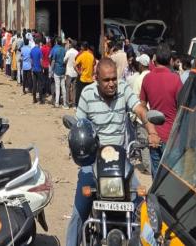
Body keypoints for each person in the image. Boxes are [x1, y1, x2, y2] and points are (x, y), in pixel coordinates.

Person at [67, 58, 160, 246]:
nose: (111, 84)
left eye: (113, 79)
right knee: (78, 213)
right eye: (106, 80)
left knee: (141, 207)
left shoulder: (124, 89)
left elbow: (140, 110)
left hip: (121, 160)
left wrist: (152, 131)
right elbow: (78, 125)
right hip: (94, 160)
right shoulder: (87, 94)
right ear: (96, 78)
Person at [139, 43, 183, 176]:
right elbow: (182, 108)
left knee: (157, 177)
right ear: (171, 61)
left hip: (155, 137)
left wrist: (150, 131)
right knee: (172, 178)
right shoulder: (176, 79)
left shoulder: (147, 78)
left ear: (154, 59)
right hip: (173, 138)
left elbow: (142, 106)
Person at [74, 42, 95, 106]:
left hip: (83, 78)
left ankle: (78, 105)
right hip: (90, 79)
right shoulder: (91, 55)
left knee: (79, 93)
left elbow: (74, 65)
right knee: (89, 94)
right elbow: (93, 65)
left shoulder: (81, 55)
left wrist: (79, 73)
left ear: (82, 47)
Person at [50, 37, 67, 108]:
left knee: (57, 87)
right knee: (63, 87)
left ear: (57, 42)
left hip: (57, 70)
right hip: (63, 70)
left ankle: (57, 103)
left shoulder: (55, 50)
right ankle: (65, 103)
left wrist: (51, 69)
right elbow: (65, 60)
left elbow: (53, 61)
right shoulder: (64, 50)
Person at [64, 39, 79, 108]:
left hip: (69, 72)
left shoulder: (68, 52)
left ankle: (67, 104)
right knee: (74, 89)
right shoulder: (77, 52)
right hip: (75, 73)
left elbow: (64, 60)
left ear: (71, 45)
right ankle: (74, 105)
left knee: (67, 88)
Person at [30, 38, 44, 104]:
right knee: (40, 84)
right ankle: (41, 100)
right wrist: (42, 67)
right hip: (39, 69)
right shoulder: (39, 50)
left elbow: (31, 61)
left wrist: (32, 67)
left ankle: (34, 99)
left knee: (34, 84)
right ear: (38, 43)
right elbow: (41, 60)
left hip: (34, 69)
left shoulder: (32, 50)